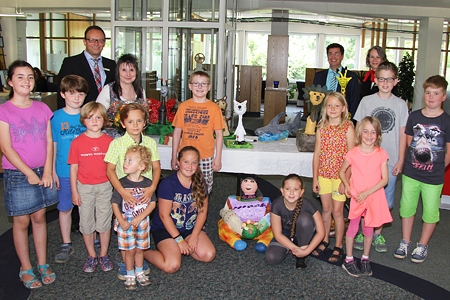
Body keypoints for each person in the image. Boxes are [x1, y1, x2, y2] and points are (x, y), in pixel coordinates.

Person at [0, 60, 58, 289]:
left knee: (40, 218)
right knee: (22, 221)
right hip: (18, 174)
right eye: (21, 77)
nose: (26, 81)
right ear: (10, 81)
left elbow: (48, 142)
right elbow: (6, 148)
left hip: (41, 171)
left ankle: (42, 263)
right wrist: (28, 174)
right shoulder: (4, 111)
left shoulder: (43, 108)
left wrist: (46, 170)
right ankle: (26, 267)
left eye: (30, 77)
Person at [353, 61, 409, 253]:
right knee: (363, 198)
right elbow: (358, 130)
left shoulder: (401, 105)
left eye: (390, 79)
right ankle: (363, 232)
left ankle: (377, 234)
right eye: (382, 78)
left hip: (390, 160)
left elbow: (403, 133)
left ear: (396, 81)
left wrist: (401, 159)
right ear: (375, 80)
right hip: (366, 161)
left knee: (384, 201)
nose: (385, 82)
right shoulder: (367, 101)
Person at [394, 75, 450, 263]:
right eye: (428, 93)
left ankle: (422, 244)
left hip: (433, 177)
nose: (431, 97)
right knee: (407, 208)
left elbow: (449, 151)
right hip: (411, 173)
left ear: (443, 97)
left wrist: (439, 168)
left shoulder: (447, 121)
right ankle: (405, 241)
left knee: (430, 212)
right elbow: (410, 142)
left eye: (436, 93)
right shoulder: (414, 116)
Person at [104, 102, 161, 279]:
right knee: (125, 227)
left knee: (141, 226)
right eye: (130, 122)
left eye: (139, 121)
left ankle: (138, 261)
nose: (135, 125)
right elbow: (109, 170)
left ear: (145, 122)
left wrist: (152, 188)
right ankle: (125, 263)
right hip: (125, 193)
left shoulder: (150, 142)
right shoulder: (117, 144)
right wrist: (122, 191)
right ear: (122, 123)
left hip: (145, 192)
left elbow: (157, 168)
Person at [145, 146, 216, 273]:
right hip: (166, 229)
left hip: (189, 228)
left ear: (198, 164)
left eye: (194, 162)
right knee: (171, 266)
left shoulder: (200, 182)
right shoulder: (168, 184)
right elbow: (164, 216)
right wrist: (178, 239)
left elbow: (202, 212)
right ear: (178, 162)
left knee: (208, 255)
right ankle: (142, 252)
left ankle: (181, 248)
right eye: (186, 162)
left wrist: (194, 235)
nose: (190, 166)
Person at [339, 116, 392, 277]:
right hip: (356, 197)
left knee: (368, 229)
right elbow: (342, 171)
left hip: (373, 197)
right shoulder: (353, 153)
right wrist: (348, 186)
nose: (369, 135)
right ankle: (348, 259)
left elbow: (385, 179)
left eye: (373, 132)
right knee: (353, 228)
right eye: (366, 132)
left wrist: (367, 193)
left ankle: (365, 258)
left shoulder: (381, 153)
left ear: (378, 135)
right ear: (360, 133)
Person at [68, 102, 114, 272]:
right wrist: (74, 191)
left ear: (104, 120)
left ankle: (103, 254)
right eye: (90, 118)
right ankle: (91, 255)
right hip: (84, 187)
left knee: (103, 222)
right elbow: (73, 168)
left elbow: (113, 167)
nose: (94, 121)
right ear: (83, 120)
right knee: (86, 223)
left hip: (105, 187)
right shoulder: (77, 143)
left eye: (98, 117)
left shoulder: (109, 141)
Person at [311, 92, 355, 263]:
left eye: (337, 106)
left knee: (338, 211)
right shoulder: (321, 128)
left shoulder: (348, 128)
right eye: (329, 105)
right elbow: (316, 154)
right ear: (325, 108)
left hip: (340, 178)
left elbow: (352, 157)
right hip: (323, 175)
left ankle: (338, 245)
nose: (333, 109)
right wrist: (315, 178)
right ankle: (324, 240)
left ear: (343, 108)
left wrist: (346, 181)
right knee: (326, 209)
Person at [51, 75, 88, 264]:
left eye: (81, 94)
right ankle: (66, 242)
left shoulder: (88, 115)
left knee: (88, 207)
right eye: (72, 93)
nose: (76, 98)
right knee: (65, 208)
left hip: (87, 172)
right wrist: (52, 171)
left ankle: (92, 237)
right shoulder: (56, 118)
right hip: (64, 172)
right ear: (63, 94)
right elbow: (53, 146)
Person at [171, 70, 224, 194]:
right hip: (185, 156)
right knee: (184, 187)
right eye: (196, 83)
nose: (200, 87)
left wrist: (218, 157)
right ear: (190, 86)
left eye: (204, 84)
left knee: (204, 189)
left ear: (209, 87)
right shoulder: (183, 106)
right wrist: (174, 156)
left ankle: (201, 213)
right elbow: (177, 133)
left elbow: (219, 135)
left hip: (205, 156)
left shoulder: (214, 108)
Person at [111, 145, 156, 290]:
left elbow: (152, 204)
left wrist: (141, 217)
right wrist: (121, 220)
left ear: (142, 166)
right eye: (125, 160)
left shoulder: (148, 184)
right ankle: (129, 274)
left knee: (139, 250)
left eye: (130, 160)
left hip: (142, 223)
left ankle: (140, 272)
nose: (125, 163)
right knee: (129, 250)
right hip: (126, 222)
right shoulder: (122, 184)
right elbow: (114, 204)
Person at [265, 173, 325, 269]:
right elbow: (278, 234)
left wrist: (306, 251)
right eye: (288, 189)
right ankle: (292, 247)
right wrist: (295, 248)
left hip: (303, 234)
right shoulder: (277, 205)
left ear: (301, 192)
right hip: (285, 235)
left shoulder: (307, 205)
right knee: (272, 257)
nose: (291, 193)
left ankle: (302, 255)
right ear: (282, 191)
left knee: (305, 219)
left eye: (296, 189)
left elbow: (321, 232)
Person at [57, 25, 116, 108]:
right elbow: (62, 90)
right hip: (80, 114)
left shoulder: (111, 64)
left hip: (106, 114)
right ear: (85, 42)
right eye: (92, 40)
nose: (96, 43)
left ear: (104, 43)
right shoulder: (71, 63)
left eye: (100, 40)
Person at [313, 43, 360, 120]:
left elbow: (354, 100)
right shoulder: (319, 76)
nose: (333, 57)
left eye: (336, 53)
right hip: (323, 118)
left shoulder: (351, 76)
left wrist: (350, 120)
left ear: (342, 56)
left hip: (343, 118)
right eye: (330, 54)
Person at [96, 53, 146, 121]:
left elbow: (144, 115)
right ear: (118, 72)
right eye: (124, 70)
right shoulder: (108, 89)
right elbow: (96, 114)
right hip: (112, 131)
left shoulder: (141, 91)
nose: (128, 74)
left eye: (131, 70)